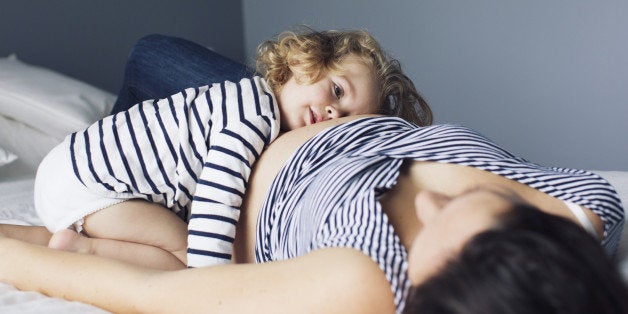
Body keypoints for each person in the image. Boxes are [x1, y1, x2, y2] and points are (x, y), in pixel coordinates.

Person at [1, 115, 626, 313]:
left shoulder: (366, 282)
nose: (430, 199)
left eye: (426, 230)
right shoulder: (575, 228)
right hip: (287, 106)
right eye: (464, 205)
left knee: (150, 55)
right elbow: (596, 203)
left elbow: (153, 289)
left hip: (217, 162)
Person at [33, 28, 434, 269]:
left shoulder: (241, 95)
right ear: (302, 62)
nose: (332, 111)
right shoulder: (253, 119)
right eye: (337, 90)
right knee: (184, 249)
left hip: (72, 167)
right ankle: (85, 248)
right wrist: (212, 275)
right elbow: (215, 198)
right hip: (90, 186)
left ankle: (80, 242)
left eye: (345, 116)